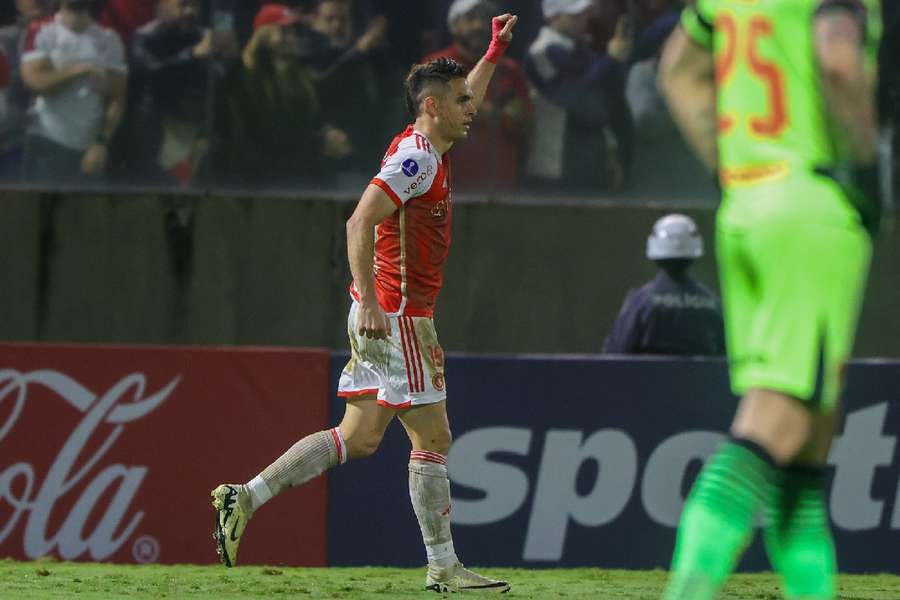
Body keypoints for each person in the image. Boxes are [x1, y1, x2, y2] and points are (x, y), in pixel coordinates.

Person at [211, 13, 519, 594]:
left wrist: (494, 52)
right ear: (432, 106)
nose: (473, 107)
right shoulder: (418, 160)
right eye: (461, 101)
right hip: (398, 314)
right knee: (433, 439)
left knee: (358, 439)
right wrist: (378, 302)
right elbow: (358, 220)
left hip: (382, 311)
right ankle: (443, 566)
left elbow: (466, 92)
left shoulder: (428, 141)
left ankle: (244, 496)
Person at [657, 1, 882, 598]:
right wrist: (866, 172)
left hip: (748, 204)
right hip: (812, 206)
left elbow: (678, 69)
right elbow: (839, 65)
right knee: (770, 427)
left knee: (804, 464)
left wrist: (727, 164)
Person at [523, 0, 634, 194]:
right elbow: (578, 98)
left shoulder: (583, 51)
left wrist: (611, 151)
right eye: (575, 16)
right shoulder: (542, 52)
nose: (583, 21)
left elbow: (602, 106)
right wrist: (611, 60)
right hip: (554, 166)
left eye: (584, 14)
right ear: (552, 17)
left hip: (590, 165)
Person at [422, 0, 533, 193]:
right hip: (445, 187)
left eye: (484, 19)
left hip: (502, 186)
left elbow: (525, 122)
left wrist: (489, 113)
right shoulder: (435, 65)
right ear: (454, 25)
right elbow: (429, 121)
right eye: (470, 18)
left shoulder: (509, 70)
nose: (479, 26)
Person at [20, 0, 128, 186]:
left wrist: (101, 142)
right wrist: (80, 69)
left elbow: (117, 98)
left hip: (89, 150)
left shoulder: (109, 38)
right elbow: (35, 83)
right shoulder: (42, 31)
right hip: (46, 142)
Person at [604, 214, 725, 356]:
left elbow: (616, 351)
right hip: (699, 378)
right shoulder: (712, 303)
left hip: (647, 378)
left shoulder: (641, 302)